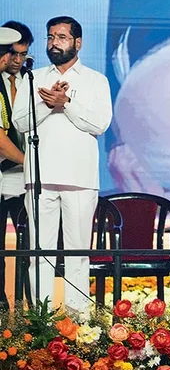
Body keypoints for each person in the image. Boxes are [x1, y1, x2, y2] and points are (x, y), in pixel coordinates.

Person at [11, 16, 113, 316]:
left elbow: (100, 124)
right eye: (50, 37)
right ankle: (41, 320)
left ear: (77, 43)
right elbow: (19, 123)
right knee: (38, 253)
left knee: (78, 253)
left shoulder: (96, 80)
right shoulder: (33, 78)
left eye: (62, 37)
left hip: (80, 179)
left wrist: (66, 102)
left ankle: (78, 321)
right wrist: (47, 103)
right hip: (39, 179)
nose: (54, 43)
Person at [0, 22, 32, 311]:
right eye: (13, 54)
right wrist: (31, 161)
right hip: (4, 174)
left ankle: (30, 311)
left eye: (23, 55)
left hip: (25, 181)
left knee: (29, 250)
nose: (18, 61)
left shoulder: (32, 81)